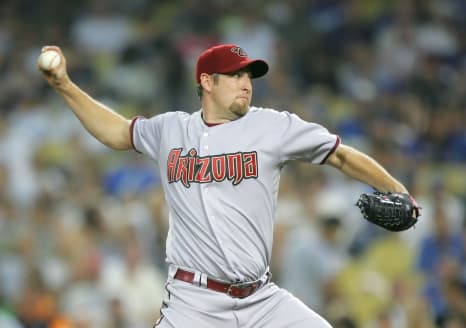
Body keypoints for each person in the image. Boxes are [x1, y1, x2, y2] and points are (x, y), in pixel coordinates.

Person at [39, 43, 416, 328]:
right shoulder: (171, 129)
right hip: (193, 303)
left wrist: (397, 189)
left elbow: (341, 155)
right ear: (206, 81)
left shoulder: (273, 126)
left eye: (248, 76)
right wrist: (65, 85)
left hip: (261, 300)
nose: (246, 84)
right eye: (235, 75)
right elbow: (118, 132)